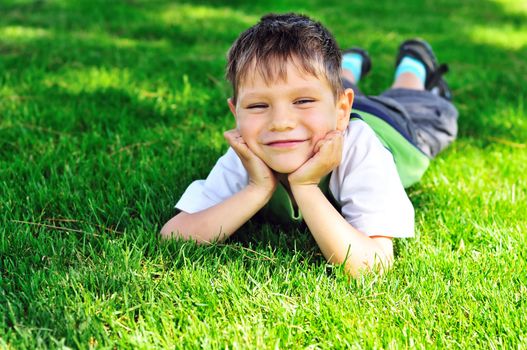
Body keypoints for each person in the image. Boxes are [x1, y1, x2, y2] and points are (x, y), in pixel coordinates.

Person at [161, 13, 458, 276]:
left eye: (302, 101)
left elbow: (373, 265)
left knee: (411, 96)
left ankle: (414, 62)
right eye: (258, 106)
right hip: (325, 111)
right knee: (321, 82)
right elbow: (173, 237)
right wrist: (256, 188)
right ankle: (349, 64)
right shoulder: (249, 151)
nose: (280, 122)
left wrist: (305, 189)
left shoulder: (360, 148)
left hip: (395, 125)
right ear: (235, 113)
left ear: (342, 112)